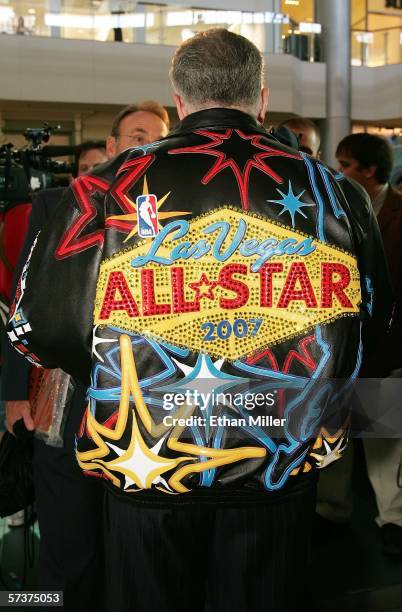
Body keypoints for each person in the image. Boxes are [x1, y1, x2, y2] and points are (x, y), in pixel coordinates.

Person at [7, 30, 391, 611]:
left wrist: (123, 362)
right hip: (280, 460)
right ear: (261, 99)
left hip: (147, 458)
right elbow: (377, 329)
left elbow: (39, 329)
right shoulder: (336, 192)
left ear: (179, 100)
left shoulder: (101, 188)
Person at [2, 104, 169, 610]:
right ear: (114, 145)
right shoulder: (56, 205)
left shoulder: (174, 212)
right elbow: (24, 301)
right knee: (68, 543)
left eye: (158, 139)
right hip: (68, 397)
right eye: (137, 135)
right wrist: (13, 392)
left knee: (137, 548)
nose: (147, 146)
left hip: (152, 405)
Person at [334, 132, 402, 555]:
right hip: (342, 344)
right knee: (336, 435)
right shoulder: (335, 210)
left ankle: (393, 521)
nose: (338, 173)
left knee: (383, 443)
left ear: (370, 170)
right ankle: (332, 511)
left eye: (345, 165)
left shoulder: (399, 213)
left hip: (385, 346)